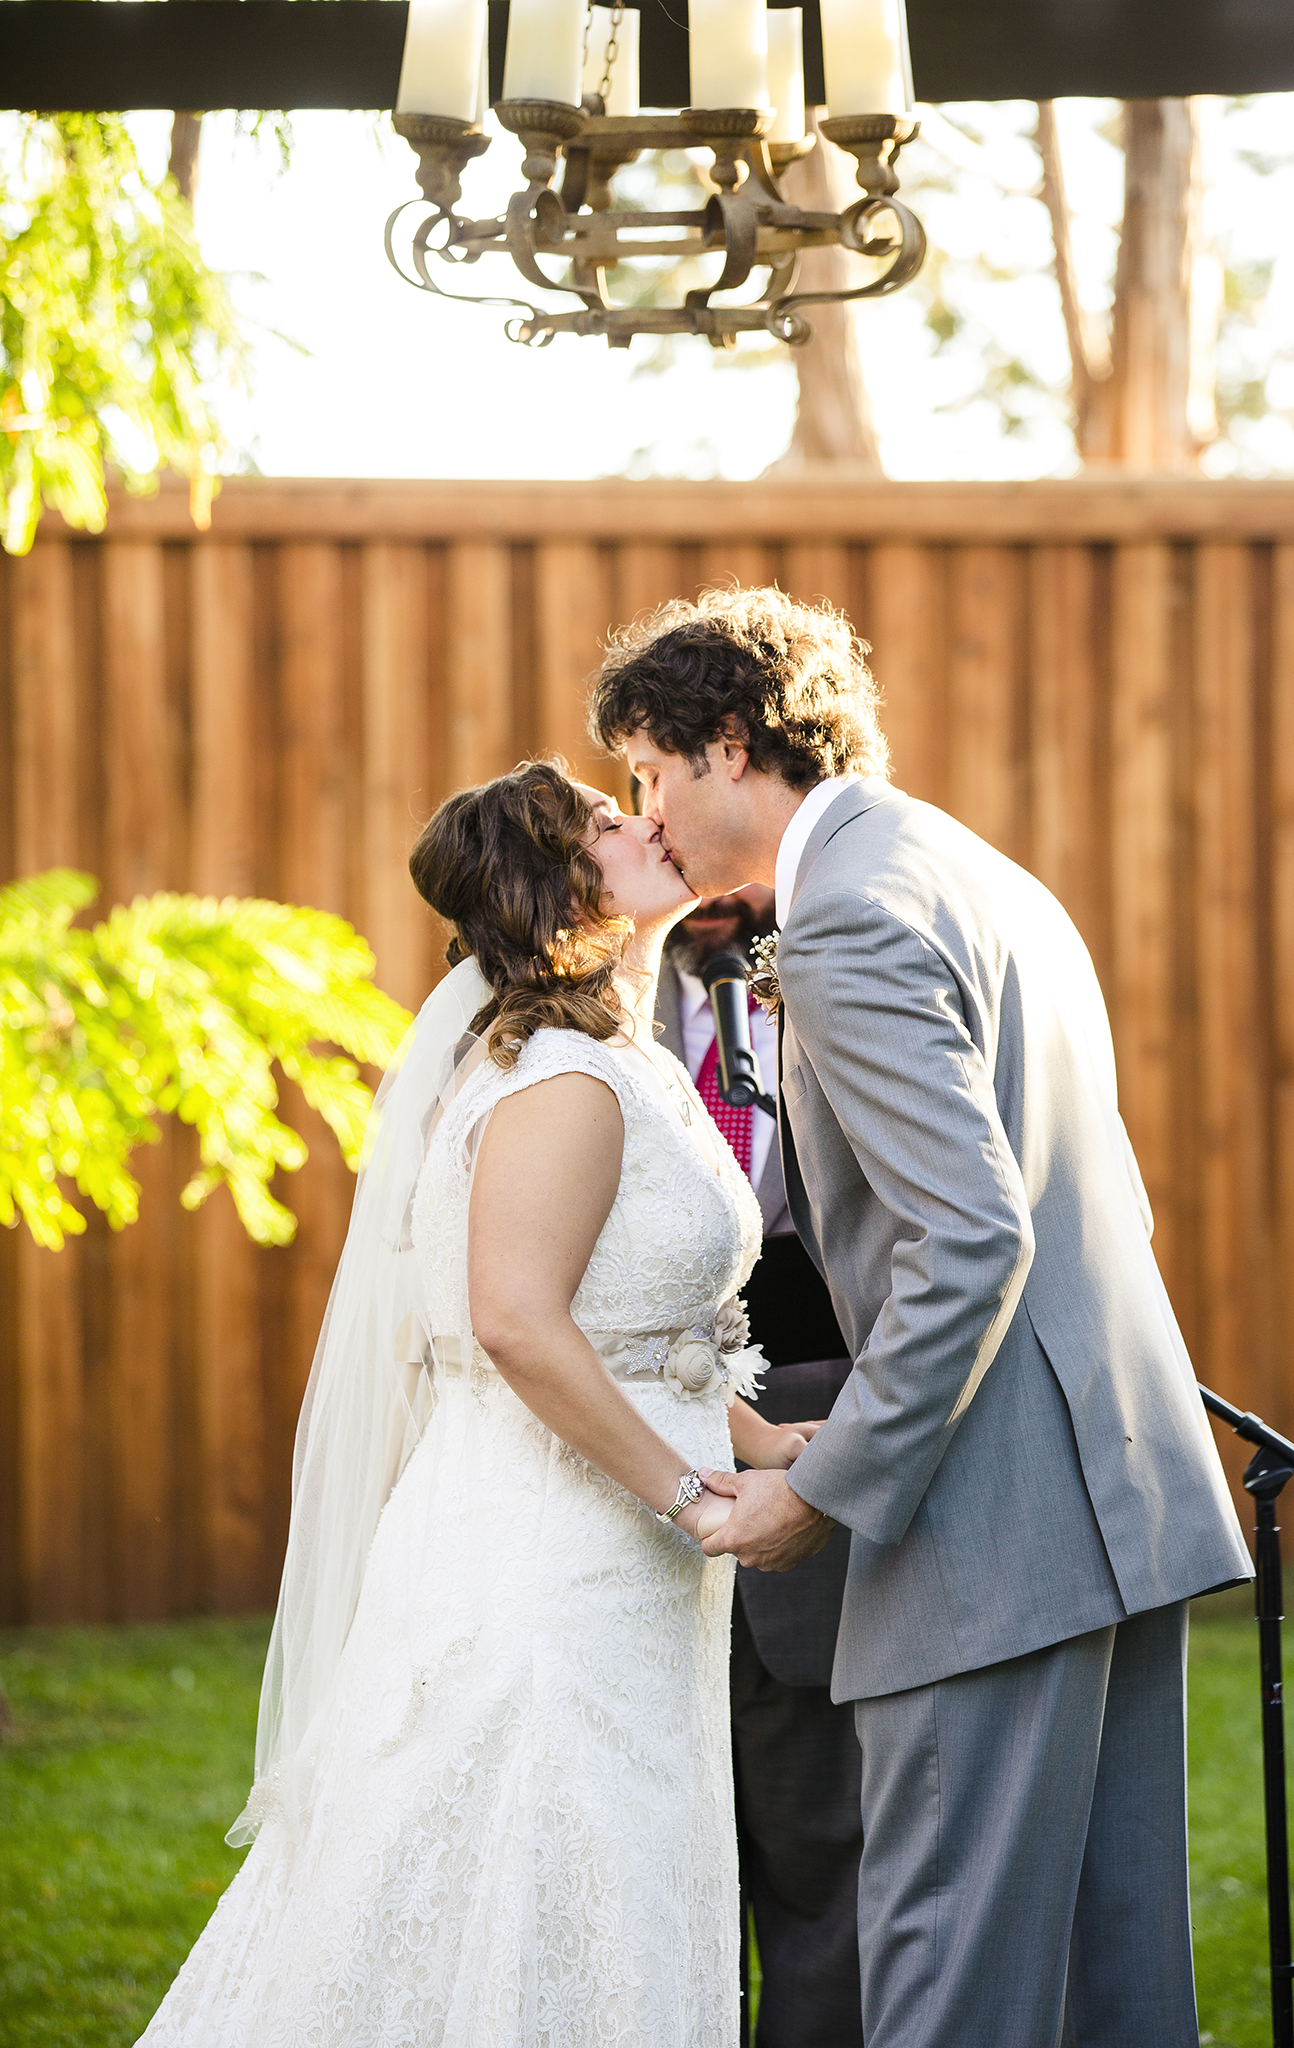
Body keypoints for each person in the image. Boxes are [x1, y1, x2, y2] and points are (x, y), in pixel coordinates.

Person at [588, 589, 1255, 2048]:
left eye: (647, 774)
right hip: (1109, 1500)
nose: (645, 814)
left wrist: (818, 1493)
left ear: (726, 743)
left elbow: (967, 1238)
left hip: (987, 1532)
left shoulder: (843, 926)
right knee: (1111, 1988)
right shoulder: (975, 868)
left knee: (946, 1983)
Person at [135, 759, 820, 2048]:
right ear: (564, 889)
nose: (645, 821)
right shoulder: (563, 1074)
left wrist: (759, 1436)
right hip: (551, 1574)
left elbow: (635, 1320)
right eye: (608, 823)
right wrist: (689, 1493)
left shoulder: (622, 1054)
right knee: (527, 1887)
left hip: (626, 1571)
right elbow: (511, 1318)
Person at [658, 889, 863, 2048]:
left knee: (818, 1837)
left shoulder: (846, 984)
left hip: (812, 1437)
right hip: (616, 1498)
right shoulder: (579, 1016)